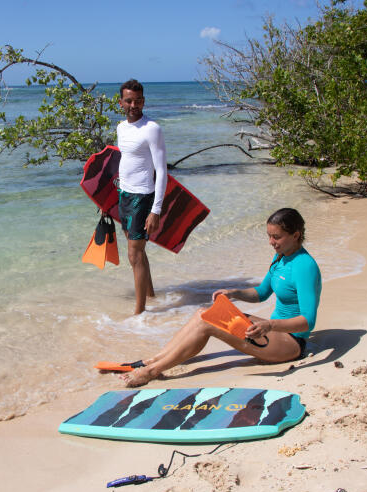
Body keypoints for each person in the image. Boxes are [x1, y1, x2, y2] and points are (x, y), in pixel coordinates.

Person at [122, 207, 322, 387]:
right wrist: (234, 293)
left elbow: (308, 321)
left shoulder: (305, 266)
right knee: (203, 313)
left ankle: (151, 372)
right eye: (269, 236)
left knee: (209, 323)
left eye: (276, 237)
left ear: (296, 235)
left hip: (291, 344)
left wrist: (269, 325)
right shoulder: (280, 257)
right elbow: (261, 293)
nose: (271, 242)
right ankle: (154, 360)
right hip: (272, 332)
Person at [117, 79, 168, 314]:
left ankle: (139, 313)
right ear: (121, 103)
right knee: (139, 252)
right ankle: (150, 296)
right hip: (124, 195)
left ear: (143, 101)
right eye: (129, 100)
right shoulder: (120, 128)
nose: (133, 105)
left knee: (134, 254)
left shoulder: (152, 129)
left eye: (137, 101)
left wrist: (156, 210)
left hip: (142, 197)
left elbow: (162, 171)